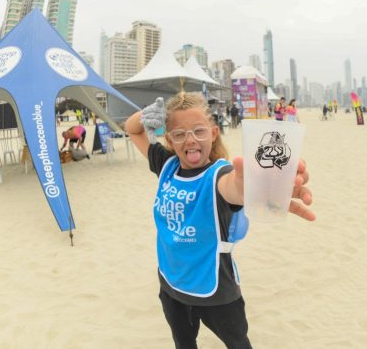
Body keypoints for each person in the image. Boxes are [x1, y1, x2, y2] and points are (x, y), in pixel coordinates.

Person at [125, 92, 314, 349]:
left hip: (215, 290)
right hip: (171, 284)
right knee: (184, 343)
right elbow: (132, 129)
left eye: (198, 131)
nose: (190, 140)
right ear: (169, 139)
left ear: (213, 134)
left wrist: (257, 185)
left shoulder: (219, 174)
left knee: (238, 344)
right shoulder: (166, 165)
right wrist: (145, 114)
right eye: (179, 134)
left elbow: (235, 187)